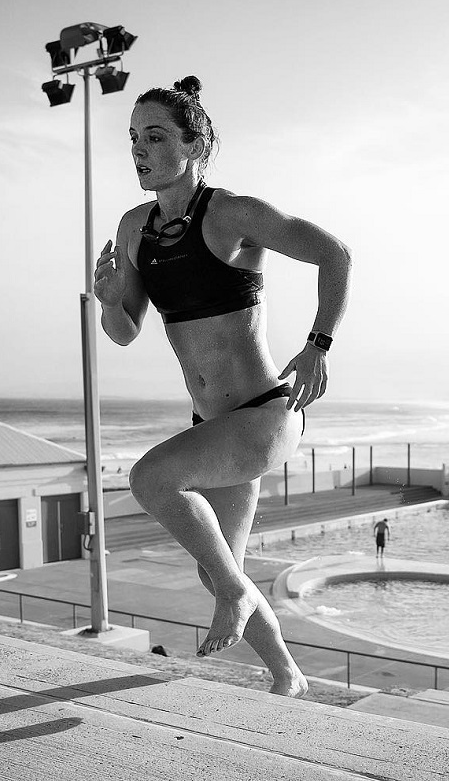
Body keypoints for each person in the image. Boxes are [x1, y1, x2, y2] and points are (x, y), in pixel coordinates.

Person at [93, 76, 352, 697]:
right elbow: (125, 331)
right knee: (218, 571)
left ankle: (236, 595)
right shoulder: (135, 230)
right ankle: (287, 674)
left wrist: (317, 346)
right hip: (215, 429)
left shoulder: (231, 214)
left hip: (266, 415)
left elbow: (335, 254)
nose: (140, 149)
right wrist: (107, 300)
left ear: (195, 144)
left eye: (155, 137)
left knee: (152, 480)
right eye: (133, 138)